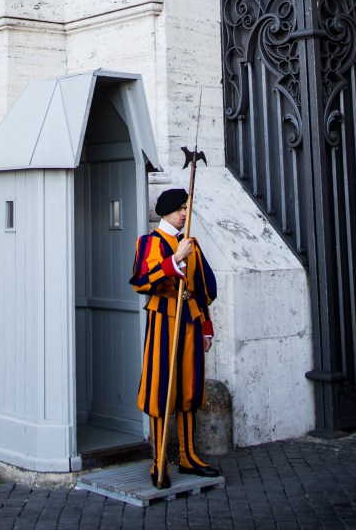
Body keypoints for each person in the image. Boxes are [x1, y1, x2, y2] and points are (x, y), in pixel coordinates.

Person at [129, 187, 218, 488]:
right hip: (163, 320)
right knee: (161, 387)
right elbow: (141, 281)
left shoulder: (190, 242)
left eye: (186, 208)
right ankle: (159, 461)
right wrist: (173, 260)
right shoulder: (149, 242)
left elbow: (204, 288)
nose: (184, 213)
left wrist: (206, 326)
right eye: (180, 208)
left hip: (191, 319)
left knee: (189, 386)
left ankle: (188, 455)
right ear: (166, 211)